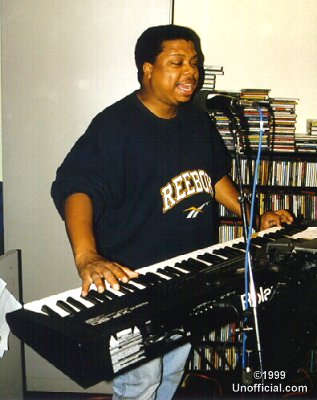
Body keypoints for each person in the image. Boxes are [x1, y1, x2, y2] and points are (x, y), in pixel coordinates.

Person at [51, 24, 293, 400]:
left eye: (194, 63)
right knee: (140, 384)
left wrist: (253, 216)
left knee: (172, 373)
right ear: (147, 69)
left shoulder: (196, 120)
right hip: (136, 283)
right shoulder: (115, 126)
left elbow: (213, 177)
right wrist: (87, 255)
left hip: (186, 278)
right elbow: (76, 188)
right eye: (177, 62)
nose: (191, 72)